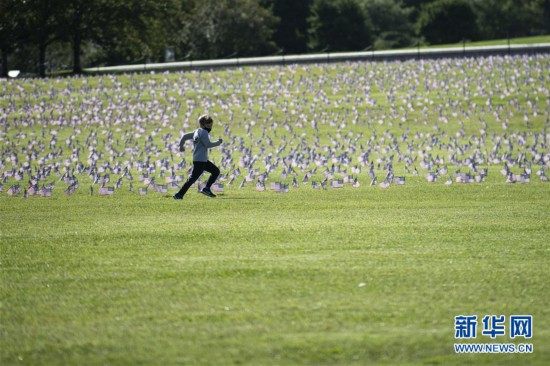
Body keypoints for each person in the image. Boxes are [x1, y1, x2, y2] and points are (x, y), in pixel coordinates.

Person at [174, 115, 223, 199]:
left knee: (215, 171)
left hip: (201, 160)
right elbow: (208, 144)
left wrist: (181, 146)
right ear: (202, 125)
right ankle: (179, 194)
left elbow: (184, 136)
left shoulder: (196, 131)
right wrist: (218, 142)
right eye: (208, 126)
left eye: (211, 126)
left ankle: (206, 189)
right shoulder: (203, 132)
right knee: (192, 179)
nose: (210, 128)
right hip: (200, 161)